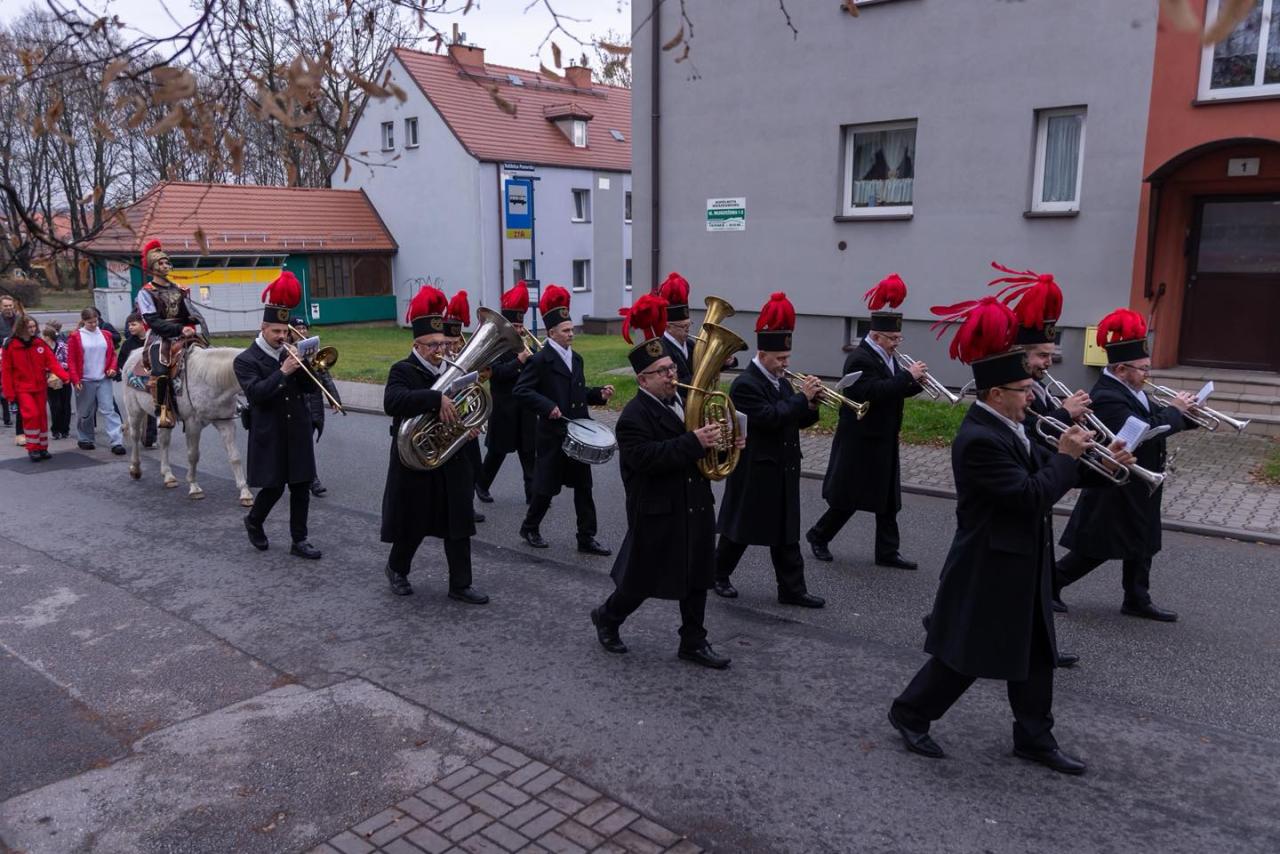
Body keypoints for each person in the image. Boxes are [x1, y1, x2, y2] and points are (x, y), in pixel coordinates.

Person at [888, 296, 1135, 774]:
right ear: (996, 393)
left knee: (1038, 651)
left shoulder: (1015, 425)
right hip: (990, 561)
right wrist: (1066, 456)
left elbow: (1050, 470)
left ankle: (1034, 738)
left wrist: (1104, 465)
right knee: (966, 655)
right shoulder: (979, 439)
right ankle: (910, 711)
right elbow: (1029, 495)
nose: (1032, 395)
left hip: (1027, 555)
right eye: (1023, 389)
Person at [591, 314, 742, 669]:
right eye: (662, 371)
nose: (672, 375)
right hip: (658, 509)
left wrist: (725, 442)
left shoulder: (686, 402)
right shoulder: (633, 417)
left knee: (698, 576)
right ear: (643, 379)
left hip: (695, 503)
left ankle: (693, 641)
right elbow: (646, 459)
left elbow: (702, 448)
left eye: (672, 367)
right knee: (641, 580)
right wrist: (693, 441)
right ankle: (608, 617)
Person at [1055, 309, 1195, 623]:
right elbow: (1140, 430)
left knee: (1143, 539)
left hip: (1141, 478)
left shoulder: (1134, 390)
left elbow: (1161, 420)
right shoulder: (1106, 396)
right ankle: (1052, 581)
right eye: (1143, 369)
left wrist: (1189, 415)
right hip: (1115, 479)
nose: (1148, 374)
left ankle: (1137, 597)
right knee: (1097, 546)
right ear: (1121, 369)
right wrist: (1175, 411)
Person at [993, 263, 1086, 667]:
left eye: (1051, 354)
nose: (1049, 362)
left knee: (1027, 580)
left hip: (1039, 491)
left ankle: (1039, 648)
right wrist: (1065, 418)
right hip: (1020, 491)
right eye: (1042, 355)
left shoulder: (1041, 387)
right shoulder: (1011, 391)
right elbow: (1028, 438)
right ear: (1021, 354)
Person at [713, 292, 825, 608]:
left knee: (786, 532)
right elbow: (769, 418)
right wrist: (800, 399)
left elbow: (794, 421)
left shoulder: (781, 381)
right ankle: (717, 574)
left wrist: (811, 405)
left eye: (787, 358)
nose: (786, 364)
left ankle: (792, 589)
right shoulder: (746, 384)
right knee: (741, 530)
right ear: (763, 354)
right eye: (781, 359)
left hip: (784, 465)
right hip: (756, 468)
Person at [808, 274, 924, 569]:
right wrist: (905, 378)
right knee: (848, 497)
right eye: (893, 339)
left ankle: (887, 552)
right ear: (876, 336)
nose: (897, 343)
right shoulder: (860, 359)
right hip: (860, 439)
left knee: (887, 500)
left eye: (899, 338)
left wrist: (917, 383)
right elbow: (870, 392)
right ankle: (818, 535)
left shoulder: (888, 357)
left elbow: (895, 390)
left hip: (883, 436)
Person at [380, 286, 488, 604]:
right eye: (432, 345)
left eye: (443, 344)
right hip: (414, 458)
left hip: (450, 455)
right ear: (416, 344)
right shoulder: (403, 370)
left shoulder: (455, 371)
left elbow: (467, 407)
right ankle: (396, 569)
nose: (440, 350)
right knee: (414, 522)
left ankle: (461, 584)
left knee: (459, 521)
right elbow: (392, 401)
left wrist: (469, 426)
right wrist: (435, 397)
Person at [514, 285, 615, 554]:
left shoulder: (577, 359)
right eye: (566, 330)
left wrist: (598, 395)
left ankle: (586, 537)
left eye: (571, 329)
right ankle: (530, 527)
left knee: (584, 487)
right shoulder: (539, 360)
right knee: (546, 488)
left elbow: (576, 392)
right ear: (551, 333)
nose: (571, 334)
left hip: (578, 432)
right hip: (552, 434)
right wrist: (547, 407)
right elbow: (521, 391)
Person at [233, 272, 322, 560]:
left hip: (297, 428)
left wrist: (310, 366)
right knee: (273, 488)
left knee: (301, 487)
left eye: (286, 332)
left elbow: (310, 389)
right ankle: (254, 521)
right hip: (269, 430)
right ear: (263, 328)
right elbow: (257, 393)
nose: (283, 338)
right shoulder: (245, 360)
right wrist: (283, 372)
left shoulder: (291, 353)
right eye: (277, 332)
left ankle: (300, 540)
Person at [477, 281, 537, 505]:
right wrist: (520, 361)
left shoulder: (527, 345)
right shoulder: (496, 346)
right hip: (504, 407)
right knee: (497, 453)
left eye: (521, 326)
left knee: (529, 453)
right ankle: (481, 484)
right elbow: (496, 373)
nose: (520, 330)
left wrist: (533, 358)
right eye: (516, 326)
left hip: (526, 408)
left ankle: (533, 493)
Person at [136, 239, 204, 428]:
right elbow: (153, 322)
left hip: (184, 334)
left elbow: (187, 314)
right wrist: (179, 329)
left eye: (167, 262)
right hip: (160, 336)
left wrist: (193, 321)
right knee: (161, 370)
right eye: (161, 263)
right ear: (152, 267)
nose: (166, 265)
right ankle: (163, 410)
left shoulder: (180, 289)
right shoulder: (146, 292)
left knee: (207, 356)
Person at [2, 314, 69, 461]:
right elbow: (6, 371)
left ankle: (42, 447)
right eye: (29, 327)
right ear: (21, 328)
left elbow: (52, 363)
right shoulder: (11, 346)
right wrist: (9, 393)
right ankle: (32, 449)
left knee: (41, 417)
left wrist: (65, 377)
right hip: (22, 388)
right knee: (31, 415)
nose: (33, 330)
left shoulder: (39, 343)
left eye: (34, 327)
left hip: (39, 387)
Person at [287, 317, 338, 498]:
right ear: (290, 332)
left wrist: (334, 400)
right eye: (298, 328)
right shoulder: (286, 352)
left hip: (314, 404)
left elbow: (325, 376)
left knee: (305, 445)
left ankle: (305, 477)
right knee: (304, 445)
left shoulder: (314, 352)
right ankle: (312, 480)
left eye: (304, 328)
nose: (302, 331)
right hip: (297, 406)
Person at [445, 290, 484, 523]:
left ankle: (467, 505)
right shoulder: (442, 361)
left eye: (456, 342)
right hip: (450, 423)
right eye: (448, 342)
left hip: (468, 419)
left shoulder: (463, 357)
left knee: (473, 467)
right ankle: (456, 507)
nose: (452, 347)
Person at [67, 307, 125, 454]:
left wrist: (112, 368)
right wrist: (75, 379)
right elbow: (72, 361)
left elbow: (112, 355)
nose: (93, 325)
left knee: (109, 410)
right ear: (83, 321)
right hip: (85, 379)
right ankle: (85, 438)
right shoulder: (75, 336)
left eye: (95, 321)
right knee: (85, 412)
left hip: (103, 378)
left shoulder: (105, 334)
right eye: (89, 322)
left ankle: (116, 441)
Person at [117, 312, 157, 448]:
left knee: (151, 407)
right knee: (136, 410)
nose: (130, 328)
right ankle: (136, 432)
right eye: (129, 325)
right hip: (134, 381)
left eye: (133, 324)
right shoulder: (128, 344)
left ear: (143, 324)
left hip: (151, 379)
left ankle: (150, 438)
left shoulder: (153, 340)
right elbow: (122, 361)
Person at [42, 323, 72, 440]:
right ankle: (56, 430)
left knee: (65, 405)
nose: (43, 338)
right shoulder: (42, 349)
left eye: (44, 336)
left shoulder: (63, 346)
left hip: (64, 378)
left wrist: (59, 367)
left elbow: (68, 361)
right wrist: (49, 370)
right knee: (55, 405)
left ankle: (65, 429)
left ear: (48, 336)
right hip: (50, 380)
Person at [1, 294, 19, 437]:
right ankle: (7, 416)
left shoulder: (20, 319)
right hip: (2, 357)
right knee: (3, 386)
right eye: (5, 306)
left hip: (18, 357)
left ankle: (15, 405)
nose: (8, 308)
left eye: (10, 305)